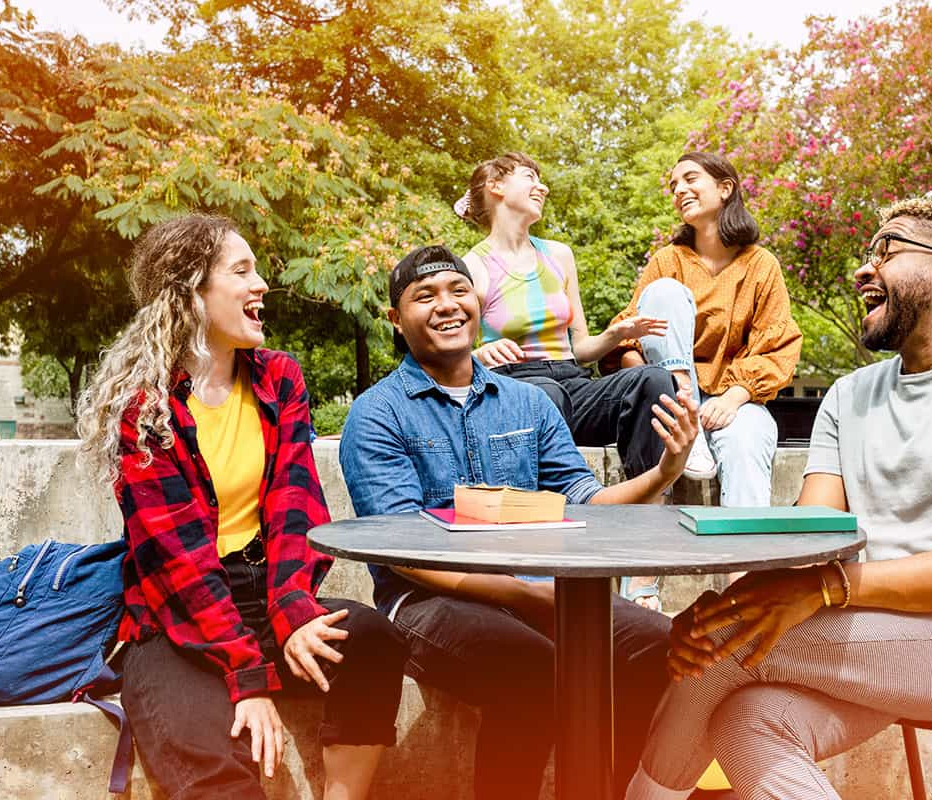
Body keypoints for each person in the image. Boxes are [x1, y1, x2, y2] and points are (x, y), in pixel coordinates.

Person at [625, 199, 932, 800]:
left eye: (887, 250)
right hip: (882, 634)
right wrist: (718, 608)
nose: (865, 269)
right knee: (749, 715)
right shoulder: (850, 394)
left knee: (738, 640)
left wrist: (816, 594)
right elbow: (812, 540)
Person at [338, 244, 700, 800]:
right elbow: (402, 552)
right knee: (534, 670)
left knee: (660, 644)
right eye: (424, 296)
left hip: (538, 594)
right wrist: (529, 597)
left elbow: (583, 502)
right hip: (425, 602)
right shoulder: (378, 412)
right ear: (396, 318)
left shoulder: (528, 403)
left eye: (459, 291)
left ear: (478, 303)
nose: (447, 306)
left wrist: (662, 472)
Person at [76, 214, 406, 800]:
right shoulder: (145, 408)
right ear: (190, 292)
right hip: (177, 623)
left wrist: (295, 607)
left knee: (374, 640)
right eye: (241, 271)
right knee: (218, 778)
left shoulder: (279, 377)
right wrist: (246, 677)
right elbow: (179, 563)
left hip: (268, 593)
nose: (261, 286)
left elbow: (295, 508)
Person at [456, 152, 678, 609]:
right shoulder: (474, 266)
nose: (542, 187)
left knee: (651, 381)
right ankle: (562, 562)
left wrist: (614, 336)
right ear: (496, 186)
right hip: (518, 386)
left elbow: (579, 348)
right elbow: (450, 345)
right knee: (544, 396)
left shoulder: (558, 255)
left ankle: (642, 561)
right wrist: (479, 352)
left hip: (571, 381)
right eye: (530, 177)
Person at [609, 151, 802, 505]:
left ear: (725, 188)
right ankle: (687, 421)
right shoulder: (667, 261)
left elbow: (777, 346)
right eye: (673, 185)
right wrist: (658, 391)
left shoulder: (761, 265)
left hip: (735, 398)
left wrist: (734, 396)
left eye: (690, 179)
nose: (678, 190)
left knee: (748, 439)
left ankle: (745, 558)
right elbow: (629, 340)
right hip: (669, 395)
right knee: (663, 292)